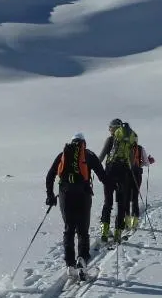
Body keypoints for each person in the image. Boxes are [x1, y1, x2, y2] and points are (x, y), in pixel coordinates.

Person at [45, 132, 108, 278]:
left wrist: (50, 195)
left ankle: (70, 264)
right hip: (83, 195)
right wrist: (112, 187)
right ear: (84, 142)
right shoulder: (89, 155)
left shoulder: (62, 155)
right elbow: (102, 175)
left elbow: (50, 175)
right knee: (83, 230)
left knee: (69, 229)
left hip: (65, 195)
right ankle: (82, 260)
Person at [98, 118, 138, 243]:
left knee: (108, 202)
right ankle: (117, 233)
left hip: (110, 171)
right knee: (121, 204)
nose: (109, 129)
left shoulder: (110, 140)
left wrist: (95, 168)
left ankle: (104, 232)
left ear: (114, 128)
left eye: (110, 127)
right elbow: (131, 161)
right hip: (124, 172)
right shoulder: (129, 141)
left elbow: (102, 156)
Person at [126, 143, 155, 230]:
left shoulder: (122, 147)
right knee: (135, 198)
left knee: (125, 198)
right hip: (137, 174)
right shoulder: (139, 148)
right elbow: (146, 163)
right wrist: (149, 161)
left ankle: (126, 222)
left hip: (124, 174)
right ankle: (134, 222)